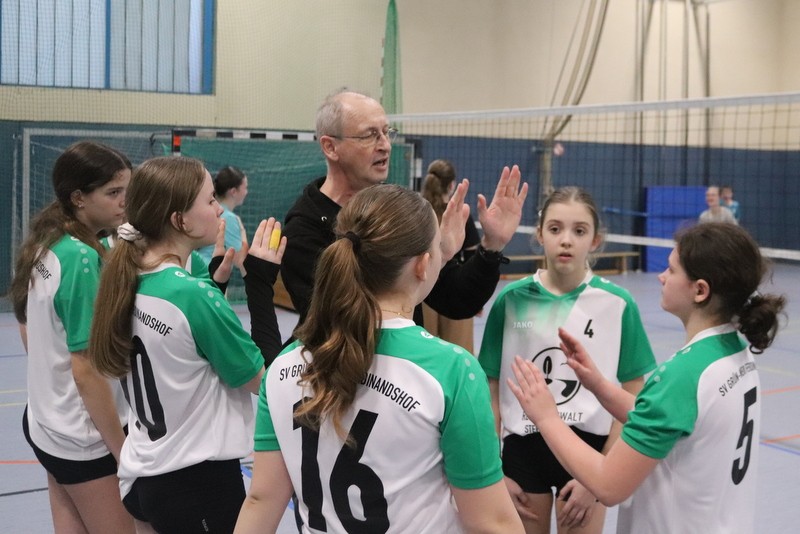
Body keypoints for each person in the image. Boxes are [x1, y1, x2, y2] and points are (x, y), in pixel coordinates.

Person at [235, 184, 524, 534]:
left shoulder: (285, 366)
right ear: (423, 264)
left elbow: (262, 500)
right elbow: (492, 522)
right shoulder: (451, 370)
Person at [508, 222, 786, 534]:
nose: (661, 277)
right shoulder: (735, 351)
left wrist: (546, 417)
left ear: (700, 290)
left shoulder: (683, 376)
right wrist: (598, 385)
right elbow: (667, 420)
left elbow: (608, 485)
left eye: (671, 270)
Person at [88, 156, 286, 533]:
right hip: (196, 482)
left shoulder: (130, 277)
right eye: (210, 200)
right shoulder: (192, 296)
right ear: (180, 220)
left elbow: (181, 341)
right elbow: (266, 381)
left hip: (143, 470)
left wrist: (214, 285)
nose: (218, 210)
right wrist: (260, 284)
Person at [478, 187, 656, 534]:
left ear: (595, 240)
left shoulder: (617, 303)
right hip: (522, 449)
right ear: (539, 234)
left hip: (589, 452)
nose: (566, 240)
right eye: (555, 228)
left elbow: (634, 393)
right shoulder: (511, 300)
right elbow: (492, 388)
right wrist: (494, 469)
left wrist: (603, 474)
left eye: (579, 230)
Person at [280, 89, 528, 333]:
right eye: (370, 135)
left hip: (403, 359)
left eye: (387, 133)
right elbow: (334, 321)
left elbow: (458, 300)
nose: (385, 145)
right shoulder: (303, 228)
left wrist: (491, 246)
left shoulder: (398, 211)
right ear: (331, 147)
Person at [8, 141, 135, 533]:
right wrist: (123, 454)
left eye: (127, 191)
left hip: (46, 423)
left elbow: (26, 322)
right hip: (83, 440)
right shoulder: (81, 259)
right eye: (113, 193)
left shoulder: (48, 241)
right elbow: (86, 370)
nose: (124, 202)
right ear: (79, 198)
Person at [420, 158, 481, 352]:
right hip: (454, 287)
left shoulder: (419, 212)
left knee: (424, 353)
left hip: (422, 288)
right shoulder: (458, 214)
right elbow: (472, 256)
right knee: (460, 354)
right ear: (452, 185)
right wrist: (474, 295)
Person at [197, 166, 249, 264]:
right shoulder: (229, 218)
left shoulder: (210, 211)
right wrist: (242, 231)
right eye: (245, 188)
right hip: (207, 270)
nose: (247, 192)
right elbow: (240, 260)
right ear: (233, 192)